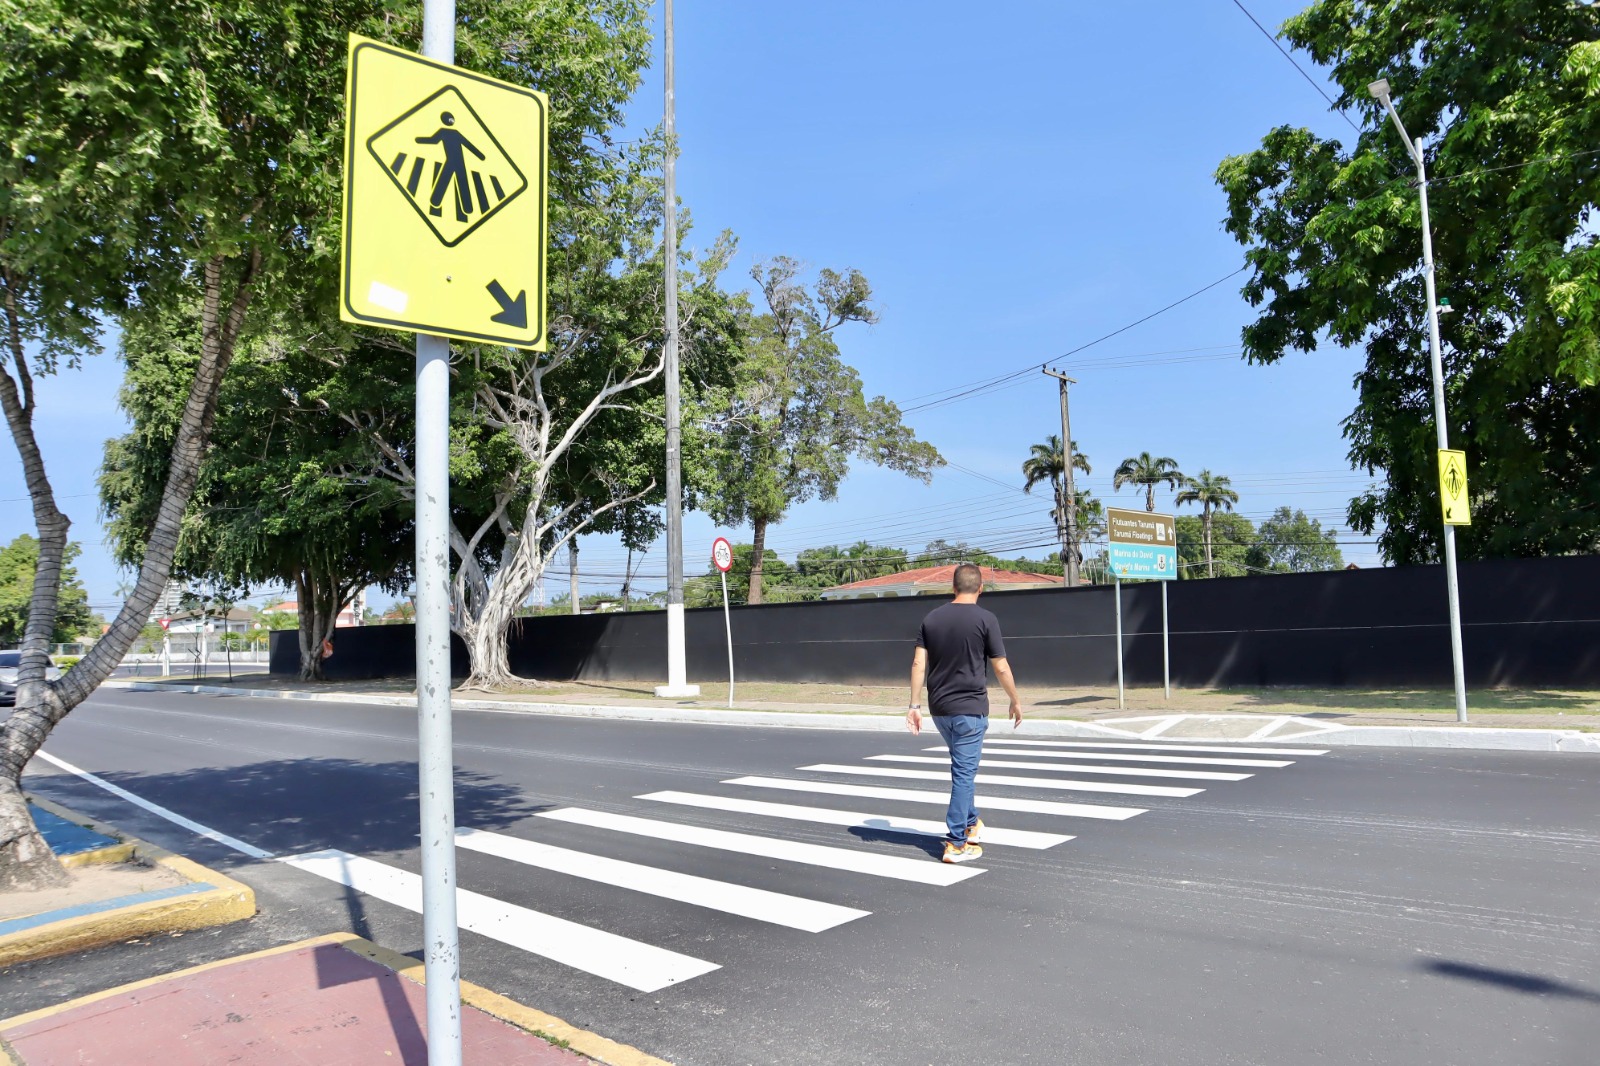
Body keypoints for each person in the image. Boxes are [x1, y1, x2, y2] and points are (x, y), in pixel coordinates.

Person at [906, 563, 1023, 864]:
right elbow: (1001, 666)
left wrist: (914, 706)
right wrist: (1015, 700)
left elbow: (919, 664)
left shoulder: (931, 618)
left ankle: (971, 823)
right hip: (970, 709)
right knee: (963, 774)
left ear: (953, 587)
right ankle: (957, 842)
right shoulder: (986, 619)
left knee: (962, 769)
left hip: (940, 709)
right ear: (981, 588)